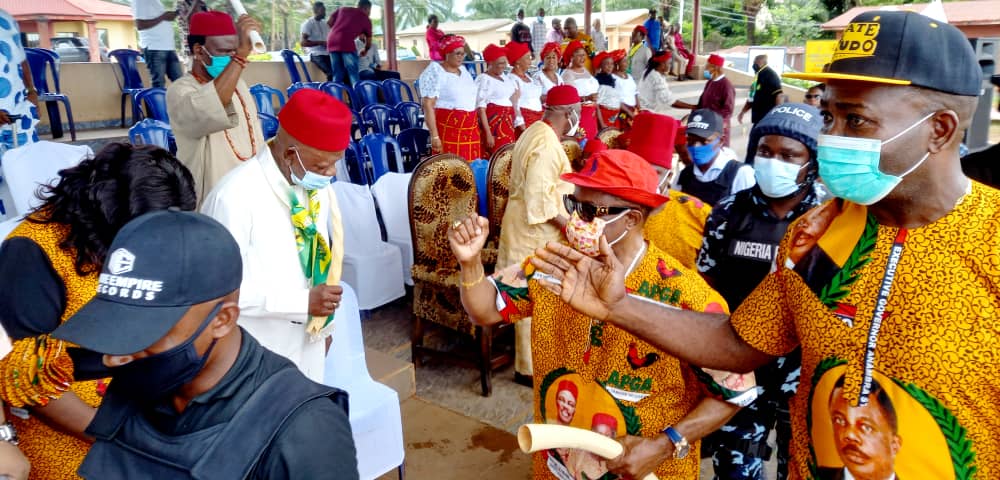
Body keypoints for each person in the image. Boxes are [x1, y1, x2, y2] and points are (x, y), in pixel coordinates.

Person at [528, 11, 999, 480]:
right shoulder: (817, 232)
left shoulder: (991, 240)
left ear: (939, 129)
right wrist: (619, 307)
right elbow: (738, 343)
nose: (830, 137)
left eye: (855, 120)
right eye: (829, 116)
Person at [451, 149, 753, 479]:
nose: (576, 220)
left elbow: (734, 393)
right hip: (561, 466)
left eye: (589, 210)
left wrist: (666, 444)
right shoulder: (554, 267)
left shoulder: (685, 297)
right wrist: (470, 263)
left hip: (644, 470)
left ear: (632, 219)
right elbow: (483, 310)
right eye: (573, 204)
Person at [49, 209, 358, 479]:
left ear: (222, 320)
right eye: (118, 330)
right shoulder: (141, 381)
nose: (117, 356)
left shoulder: (306, 431)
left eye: (145, 334)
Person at [0, 143, 196, 479]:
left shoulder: (126, 243)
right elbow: (28, 380)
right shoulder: (31, 252)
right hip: (67, 435)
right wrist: (116, 435)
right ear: (113, 215)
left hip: (130, 417)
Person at [697, 104, 823, 480]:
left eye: (789, 155)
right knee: (734, 467)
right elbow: (706, 288)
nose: (774, 161)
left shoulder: (831, 219)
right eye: (765, 151)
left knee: (800, 467)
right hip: (739, 368)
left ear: (812, 162)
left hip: (802, 375)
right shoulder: (728, 212)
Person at [201, 89, 346, 383]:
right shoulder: (234, 197)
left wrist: (323, 328)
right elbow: (216, 292)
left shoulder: (314, 187)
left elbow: (318, 259)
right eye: (321, 166)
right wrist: (302, 303)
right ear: (290, 154)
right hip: (256, 352)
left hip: (309, 341)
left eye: (336, 163)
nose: (330, 174)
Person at [497, 85, 580, 385]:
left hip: (521, 224)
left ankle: (534, 359)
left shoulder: (536, 129)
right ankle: (528, 369)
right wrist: (570, 228)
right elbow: (538, 198)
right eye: (577, 110)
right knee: (532, 296)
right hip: (532, 229)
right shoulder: (546, 145)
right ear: (568, 113)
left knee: (531, 294)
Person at [167, 11, 266, 203]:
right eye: (224, 52)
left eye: (234, 50)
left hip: (251, 191)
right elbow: (211, 105)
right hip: (213, 198)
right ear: (198, 51)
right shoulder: (180, 91)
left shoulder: (238, 84)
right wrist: (240, 57)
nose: (231, 57)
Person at [621, 112, 712, 270]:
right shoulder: (609, 210)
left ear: (669, 176)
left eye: (654, 172)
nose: (644, 177)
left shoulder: (696, 211)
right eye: (637, 169)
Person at [817, 377, 900, 480]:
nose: (849, 434)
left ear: (895, 445)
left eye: (866, 427)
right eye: (839, 420)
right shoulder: (811, 474)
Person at [677, 109, 755, 206]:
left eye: (703, 141)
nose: (696, 146)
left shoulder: (740, 174)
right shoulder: (685, 174)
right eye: (691, 140)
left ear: (721, 141)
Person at [419, 36, 480, 161]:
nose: (461, 57)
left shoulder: (464, 71)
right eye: (457, 53)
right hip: (449, 130)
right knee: (451, 170)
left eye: (463, 54)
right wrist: (434, 136)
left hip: (470, 129)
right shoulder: (435, 71)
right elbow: (428, 105)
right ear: (447, 53)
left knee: (470, 170)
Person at [0, 9, 39, 150]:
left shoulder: (6, 19)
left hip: (19, 108)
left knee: (26, 162)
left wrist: (32, 91)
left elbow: (21, 59)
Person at [475, 44, 519, 155]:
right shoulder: (484, 79)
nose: (504, 66)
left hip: (507, 124)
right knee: (498, 157)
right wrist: (488, 133)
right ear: (490, 63)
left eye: (505, 63)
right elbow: (481, 108)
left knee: (508, 155)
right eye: (500, 63)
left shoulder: (504, 77)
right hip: (494, 126)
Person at [132, 0, 183, 88]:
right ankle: (155, 102)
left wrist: (174, 14)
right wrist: (163, 17)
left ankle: (178, 102)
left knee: (180, 82)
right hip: (154, 47)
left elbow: (162, 19)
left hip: (168, 47)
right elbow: (140, 25)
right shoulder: (140, 1)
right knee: (158, 83)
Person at [326, 0, 372, 86]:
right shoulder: (366, 19)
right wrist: (365, 50)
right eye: (370, 11)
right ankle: (357, 98)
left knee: (337, 74)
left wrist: (339, 29)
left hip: (331, 41)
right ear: (367, 8)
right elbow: (369, 41)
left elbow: (329, 22)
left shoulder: (343, 9)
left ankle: (336, 97)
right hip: (346, 43)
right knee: (353, 73)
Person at [637, 51, 697, 116]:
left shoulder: (648, 71)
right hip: (647, 112)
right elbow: (669, 101)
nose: (670, 65)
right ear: (662, 64)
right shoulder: (656, 78)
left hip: (642, 108)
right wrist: (693, 107)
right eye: (669, 63)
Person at [561, 41, 599, 140]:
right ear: (571, 57)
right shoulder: (567, 74)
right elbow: (568, 99)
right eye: (579, 55)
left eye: (584, 55)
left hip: (592, 115)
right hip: (579, 115)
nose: (583, 58)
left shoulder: (585, 71)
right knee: (581, 143)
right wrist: (587, 98)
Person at [696, 54, 736, 147]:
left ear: (715, 67)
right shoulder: (710, 82)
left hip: (717, 128)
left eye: (707, 65)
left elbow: (727, 111)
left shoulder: (726, 86)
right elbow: (702, 102)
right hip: (705, 125)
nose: (705, 67)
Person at [738, 55, 784, 128]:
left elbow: (779, 95)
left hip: (767, 118)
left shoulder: (770, 75)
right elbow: (751, 97)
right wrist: (743, 112)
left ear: (763, 63)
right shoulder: (758, 76)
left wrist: (777, 116)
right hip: (758, 118)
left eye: (756, 63)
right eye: (754, 63)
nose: (754, 65)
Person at [508, 42, 544, 131]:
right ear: (518, 60)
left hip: (538, 118)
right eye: (528, 58)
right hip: (526, 120)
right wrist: (521, 125)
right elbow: (514, 105)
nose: (530, 61)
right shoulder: (512, 79)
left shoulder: (528, 77)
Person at [300, 2, 332, 81]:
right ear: (316, 11)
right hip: (316, 54)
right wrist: (320, 43)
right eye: (323, 10)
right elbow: (303, 43)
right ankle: (328, 92)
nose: (325, 12)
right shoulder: (308, 24)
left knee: (340, 72)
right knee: (331, 73)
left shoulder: (325, 24)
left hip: (327, 53)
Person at [612, 49, 638, 128]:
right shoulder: (612, 77)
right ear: (617, 63)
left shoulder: (629, 77)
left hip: (633, 110)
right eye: (624, 61)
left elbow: (635, 92)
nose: (627, 64)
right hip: (622, 111)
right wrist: (628, 112)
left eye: (627, 61)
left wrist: (638, 107)